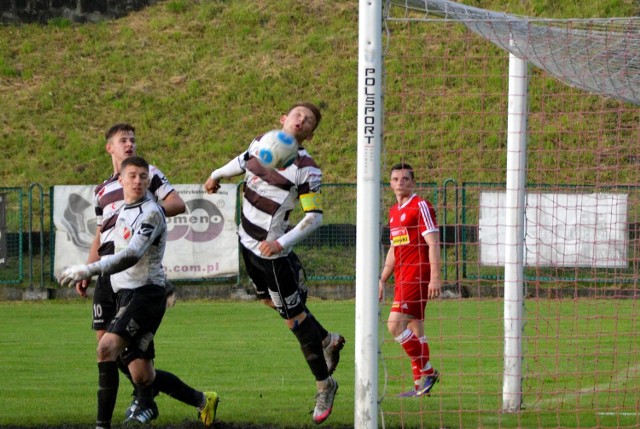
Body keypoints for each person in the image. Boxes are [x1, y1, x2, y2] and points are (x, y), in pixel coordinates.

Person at [203, 102, 344, 425]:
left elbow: (314, 217)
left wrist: (280, 243)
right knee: (268, 301)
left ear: (310, 133)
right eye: (297, 115)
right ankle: (326, 338)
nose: (302, 120)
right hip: (247, 244)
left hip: (273, 255)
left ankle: (325, 384)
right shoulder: (261, 143)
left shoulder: (306, 169)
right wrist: (215, 175)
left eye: (308, 121)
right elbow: (241, 162)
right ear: (283, 119)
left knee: (294, 322)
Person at [58, 156, 219, 429]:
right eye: (132, 176)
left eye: (143, 176)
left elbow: (132, 255)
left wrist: (89, 270)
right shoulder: (122, 212)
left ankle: (102, 425)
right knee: (143, 376)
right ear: (120, 179)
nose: (138, 181)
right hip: (127, 296)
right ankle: (204, 401)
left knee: (106, 349)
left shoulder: (152, 211)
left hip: (145, 297)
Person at [75, 123, 185, 422]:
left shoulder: (146, 176)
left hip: (135, 271)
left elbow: (176, 203)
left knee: (123, 354)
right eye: (123, 140)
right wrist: (88, 267)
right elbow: (101, 233)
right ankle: (145, 397)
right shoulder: (103, 190)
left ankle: (143, 399)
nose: (130, 145)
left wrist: (147, 211)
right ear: (109, 147)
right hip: (105, 272)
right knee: (107, 348)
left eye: (133, 140)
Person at [378, 162, 442, 397]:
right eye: (395, 179)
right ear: (390, 183)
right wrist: (382, 278)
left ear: (413, 182)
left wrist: (435, 277)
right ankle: (419, 387)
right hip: (402, 275)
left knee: (394, 325)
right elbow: (395, 248)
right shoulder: (394, 212)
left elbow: (433, 242)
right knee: (415, 328)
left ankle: (429, 371)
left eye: (405, 179)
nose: (399, 183)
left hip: (418, 274)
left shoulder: (421, 205)